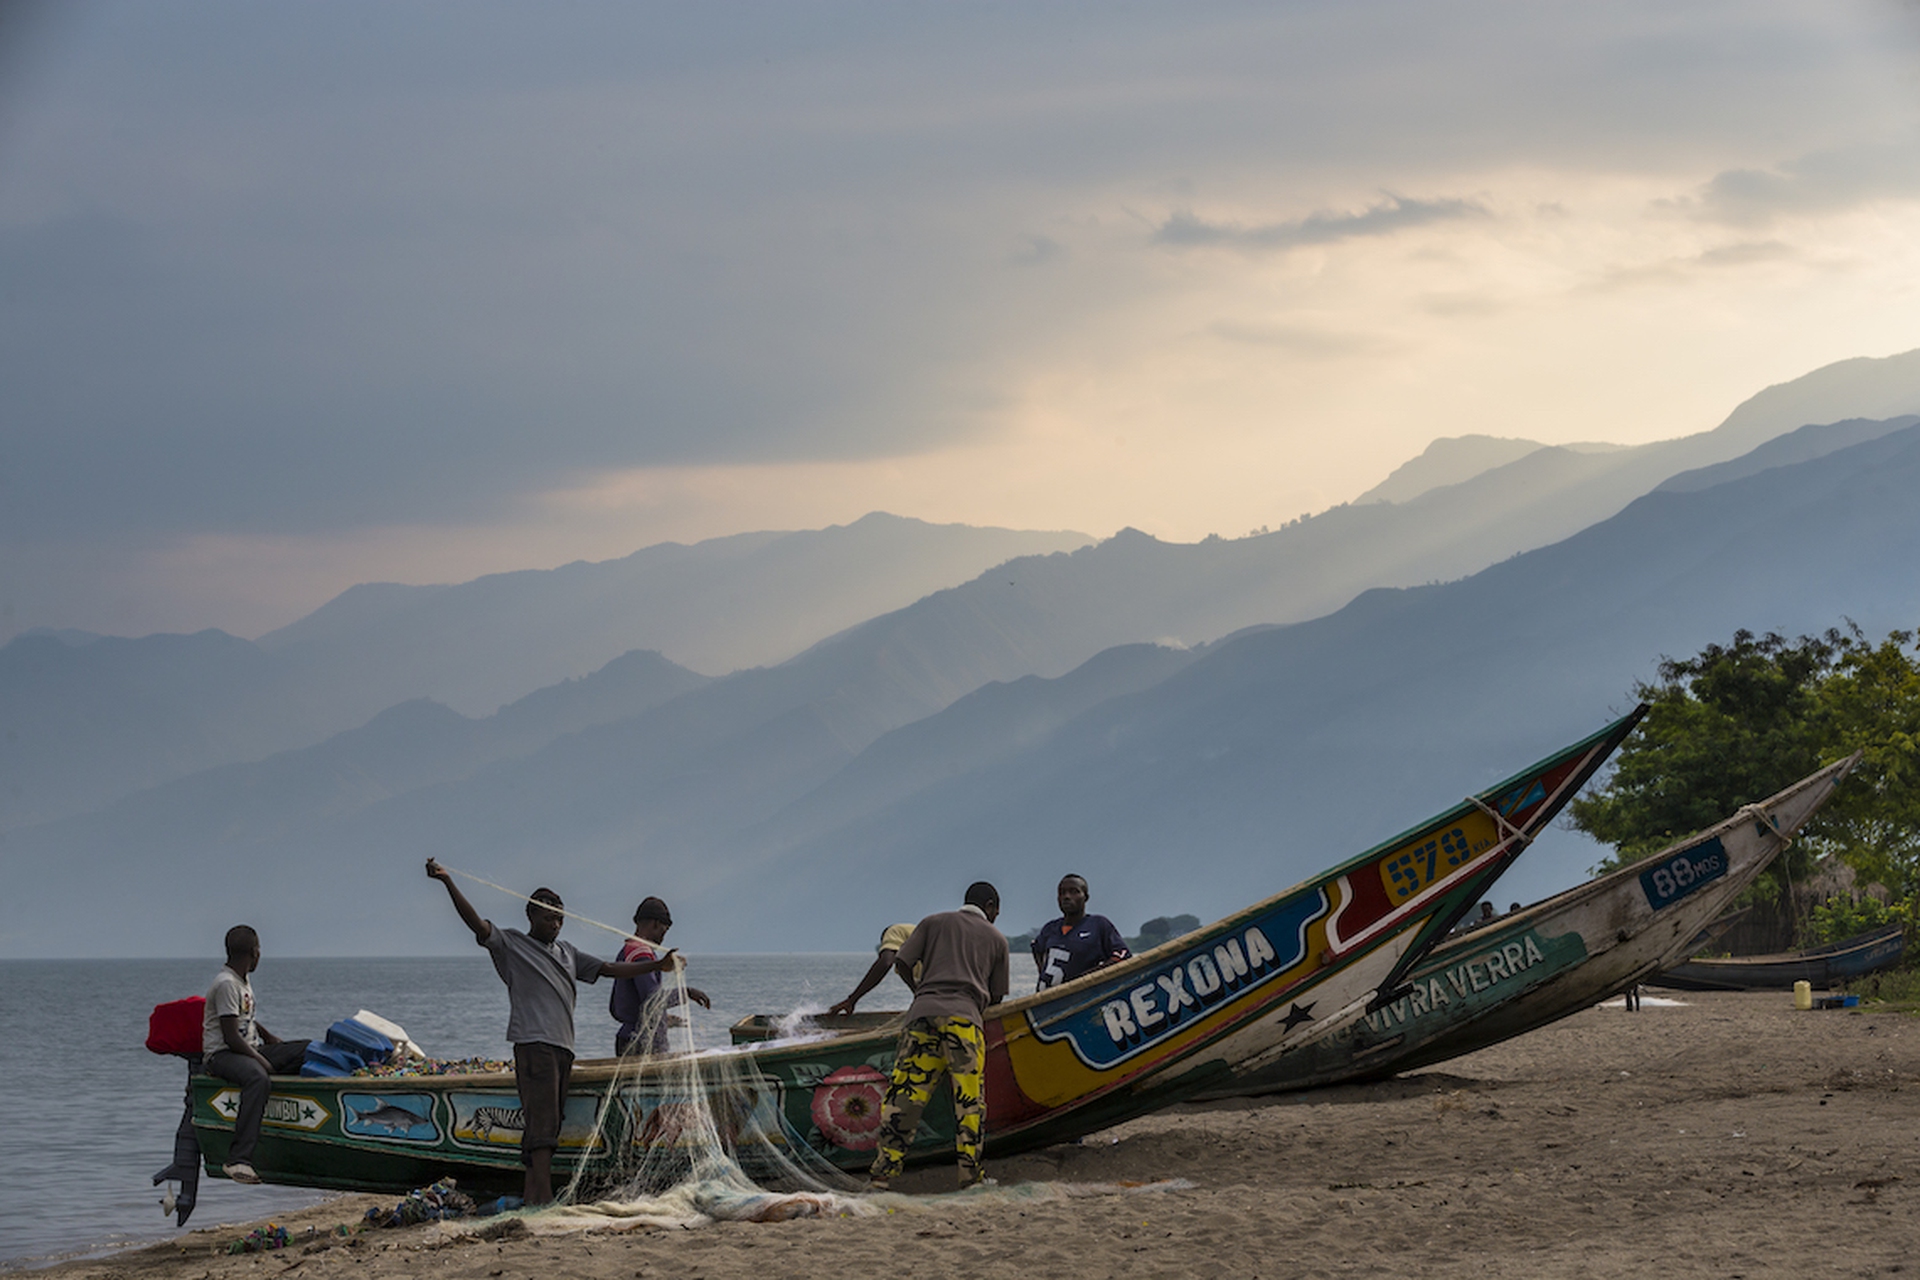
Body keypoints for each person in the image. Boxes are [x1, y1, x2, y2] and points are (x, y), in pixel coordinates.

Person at [425, 858, 669, 1205]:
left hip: (562, 1047)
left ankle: (532, 1192)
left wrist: (658, 965)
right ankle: (542, 1197)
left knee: (549, 1122)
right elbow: (476, 924)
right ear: (531, 918)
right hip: (533, 1044)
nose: (555, 924)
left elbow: (609, 969)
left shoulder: (568, 952)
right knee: (541, 1123)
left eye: (560, 918)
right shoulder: (511, 944)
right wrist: (448, 882)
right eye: (548, 917)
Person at [868, 882, 1010, 1192]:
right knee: (968, 1099)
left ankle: (882, 1174)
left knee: (904, 1095)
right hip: (964, 1021)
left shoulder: (932, 922)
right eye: (996, 911)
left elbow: (901, 962)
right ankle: (970, 1177)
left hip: (921, 1016)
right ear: (990, 907)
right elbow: (997, 996)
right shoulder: (997, 939)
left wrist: (920, 991)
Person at [202, 925, 310, 1186]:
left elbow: (243, 1018)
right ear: (253, 952)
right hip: (222, 1055)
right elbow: (230, 1036)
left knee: (306, 1049)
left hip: (247, 1047)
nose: (260, 955)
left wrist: (268, 1037)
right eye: (259, 949)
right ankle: (238, 1159)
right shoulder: (227, 984)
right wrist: (263, 1061)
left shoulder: (242, 980)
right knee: (258, 1078)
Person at [610, 896, 711, 1056]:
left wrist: (665, 1018)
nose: (663, 938)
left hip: (629, 1037)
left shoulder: (627, 950)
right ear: (656, 924)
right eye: (663, 931)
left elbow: (635, 1002)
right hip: (640, 1044)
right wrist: (688, 992)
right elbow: (652, 998)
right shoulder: (640, 954)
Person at [1030, 873, 1130, 990]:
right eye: (1062, 893)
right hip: (1045, 1000)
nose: (1067, 897)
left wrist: (1090, 976)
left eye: (1074, 892)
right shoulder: (1050, 928)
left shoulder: (1098, 925)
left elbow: (1123, 956)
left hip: (1078, 997)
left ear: (1085, 897)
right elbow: (1037, 949)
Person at [827, 922, 917, 1016]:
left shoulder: (895, 930)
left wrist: (852, 1000)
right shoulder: (911, 962)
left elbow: (885, 962)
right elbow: (903, 967)